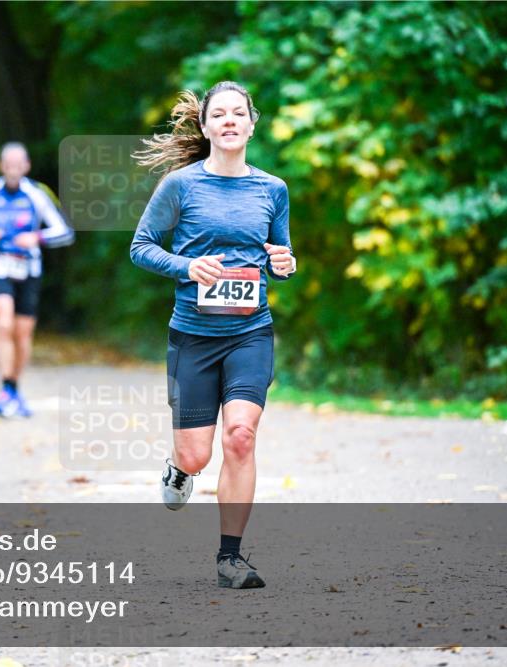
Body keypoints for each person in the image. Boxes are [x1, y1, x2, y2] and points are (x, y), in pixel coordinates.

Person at [130, 81, 297, 589]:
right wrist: (187, 266)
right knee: (196, 455)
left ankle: (231, 557)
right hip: (193, 337)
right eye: (218, 114)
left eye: (237, 113)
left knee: (241, 438)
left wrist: (286, 265)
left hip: (250, 333)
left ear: (251, 123)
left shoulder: (272, 189)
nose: (228, 120)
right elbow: (141, 247)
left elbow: (280, 255)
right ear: (205, 127)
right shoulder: (181, 186)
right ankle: (179, 470)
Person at [0, 142, 74, 418]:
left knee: (22, 334)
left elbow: (65, 231)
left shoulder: (36, 194)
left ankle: (13, 388)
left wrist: (38, 237)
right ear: (1, 166)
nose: (13, 169)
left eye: (18, 164)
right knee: (3, 323)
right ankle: (5, 389)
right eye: (8, 164)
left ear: (26, 166)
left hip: (29, 269)